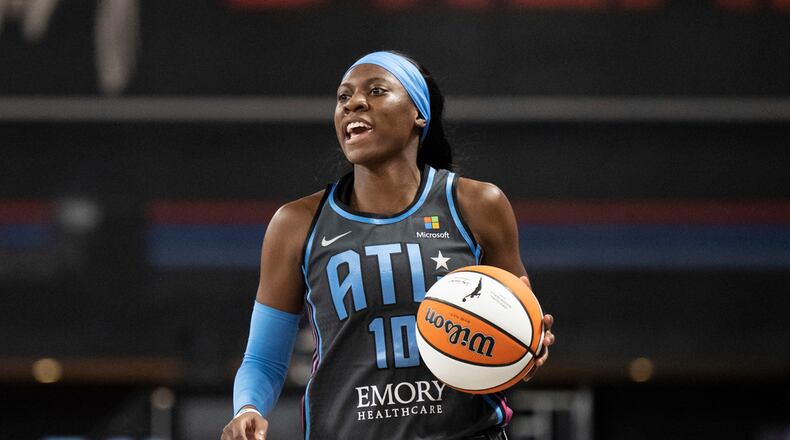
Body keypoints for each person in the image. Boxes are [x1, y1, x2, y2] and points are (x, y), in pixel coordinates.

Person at [221, 51, 555, 440]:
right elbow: (263, 357)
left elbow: (519, 325)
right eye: (343, 97)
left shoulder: (478, 205)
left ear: (419, 114)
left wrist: (527, 346)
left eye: (376, 90)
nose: (353, 104)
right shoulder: (296, 224)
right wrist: (248, 407)